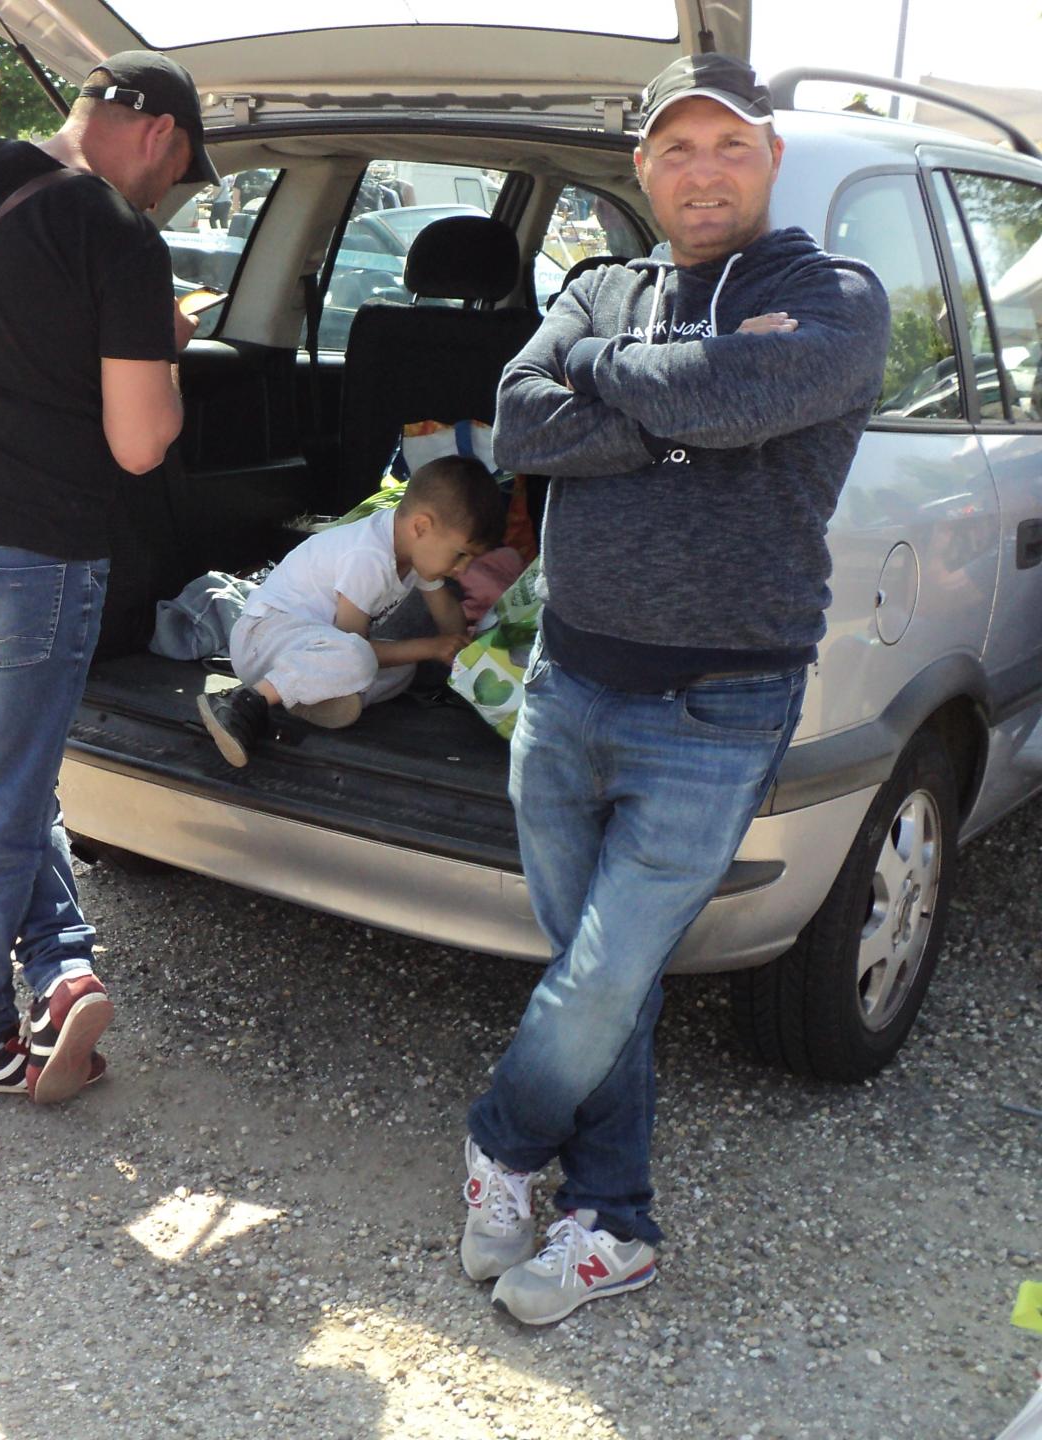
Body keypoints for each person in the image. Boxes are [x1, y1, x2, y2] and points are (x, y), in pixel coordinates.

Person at [459, 53, 890, 1326]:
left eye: (729, 147)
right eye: (676, 150)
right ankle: (615, 1222)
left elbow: (753, 389)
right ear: (643, 170)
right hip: (567, 686)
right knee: (605, 978)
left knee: (598, 977)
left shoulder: (833, 295)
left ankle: (500, 1140)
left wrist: (615, 380)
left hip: (720, 708)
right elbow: (519, 426)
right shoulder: (599, 285)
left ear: (769, 159)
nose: (702, 170)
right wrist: (691, 405)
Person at [0, 50, 216, 1104]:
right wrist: (166, 353)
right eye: (183, 171)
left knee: (6, 781)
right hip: (30, 565)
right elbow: (140, 444)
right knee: (6, 807)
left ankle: (63, 970)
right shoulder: (119, 233)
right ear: (159, 132)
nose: (171, 192)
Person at [197, 457, 503, 767]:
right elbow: (351, 642)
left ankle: (318, 697)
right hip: (263, 638)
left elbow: (447, 617)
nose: (463, 568)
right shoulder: (368, 556)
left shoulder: (414, 551)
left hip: (305, 650)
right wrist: (431, 647)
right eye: (461, 554)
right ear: (421, 527)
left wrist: (462, 646)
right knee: (362, 658)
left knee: (404, 668)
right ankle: (243, 702)